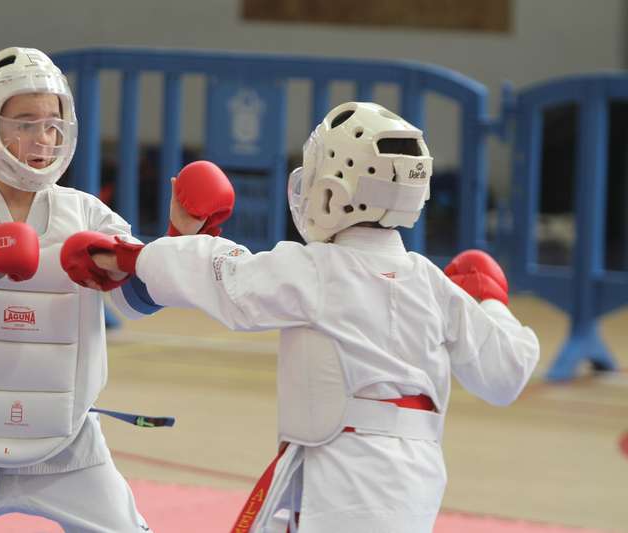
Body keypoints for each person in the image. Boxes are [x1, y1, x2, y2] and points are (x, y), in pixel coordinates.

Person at [81, 102, 541, 532]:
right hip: (416, 476)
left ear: (332, 192)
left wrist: (134, 256)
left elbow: (228, 278)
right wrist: (491, 301)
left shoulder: (319, 270)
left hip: (346, 475)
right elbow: (506, 374)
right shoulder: (432, 283)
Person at [0, 45, 233, 533]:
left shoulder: (89, 214)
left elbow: (136, 300)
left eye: (53, 122)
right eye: (24, 122)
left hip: (70, 446)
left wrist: (179, 243)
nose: (43, 136)